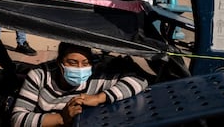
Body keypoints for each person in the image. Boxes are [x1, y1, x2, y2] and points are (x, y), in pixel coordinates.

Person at [10, 42, 149, 127]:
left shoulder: (98, 75)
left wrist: (99, 98)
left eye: (85, 63)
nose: (80, 68)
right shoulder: (39, 75)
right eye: (72, 63)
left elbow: (139, 80)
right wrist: (61, 119)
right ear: (59, 63)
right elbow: (18, 120)